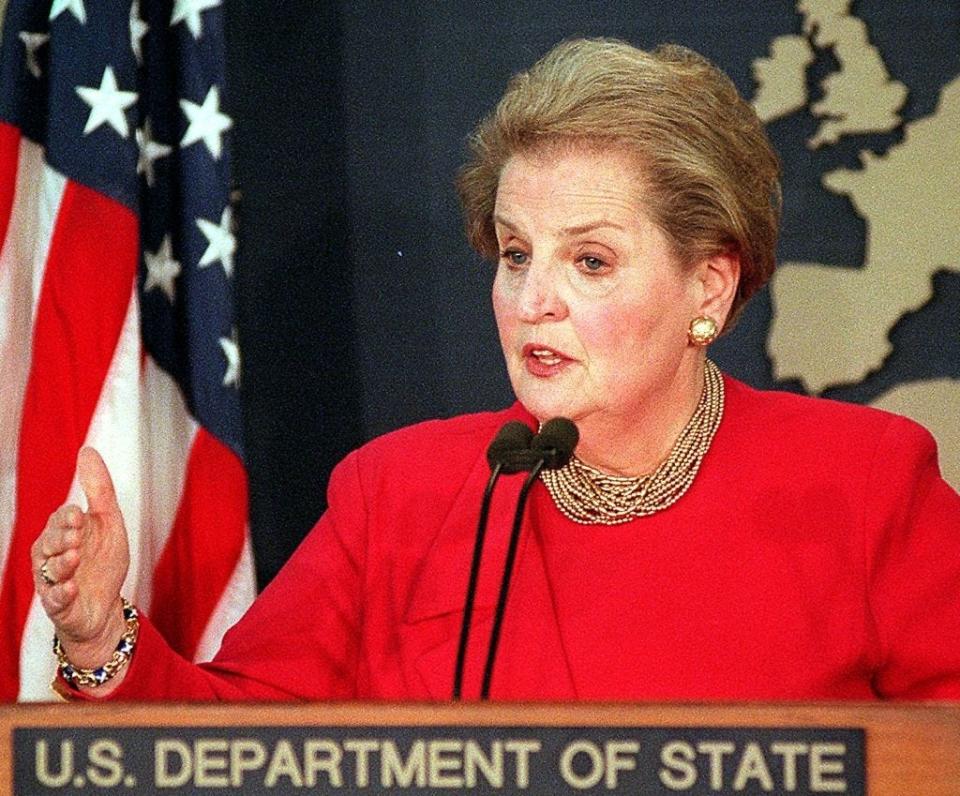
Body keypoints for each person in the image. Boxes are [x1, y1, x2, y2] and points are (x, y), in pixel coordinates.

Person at [32, 38, 960, 702]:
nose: (532, 299)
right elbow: (236, 747)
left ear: (708, 285)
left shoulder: (865, 483)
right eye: (516, 254)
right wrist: (99, 634)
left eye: (589, 261)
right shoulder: (396, 496)